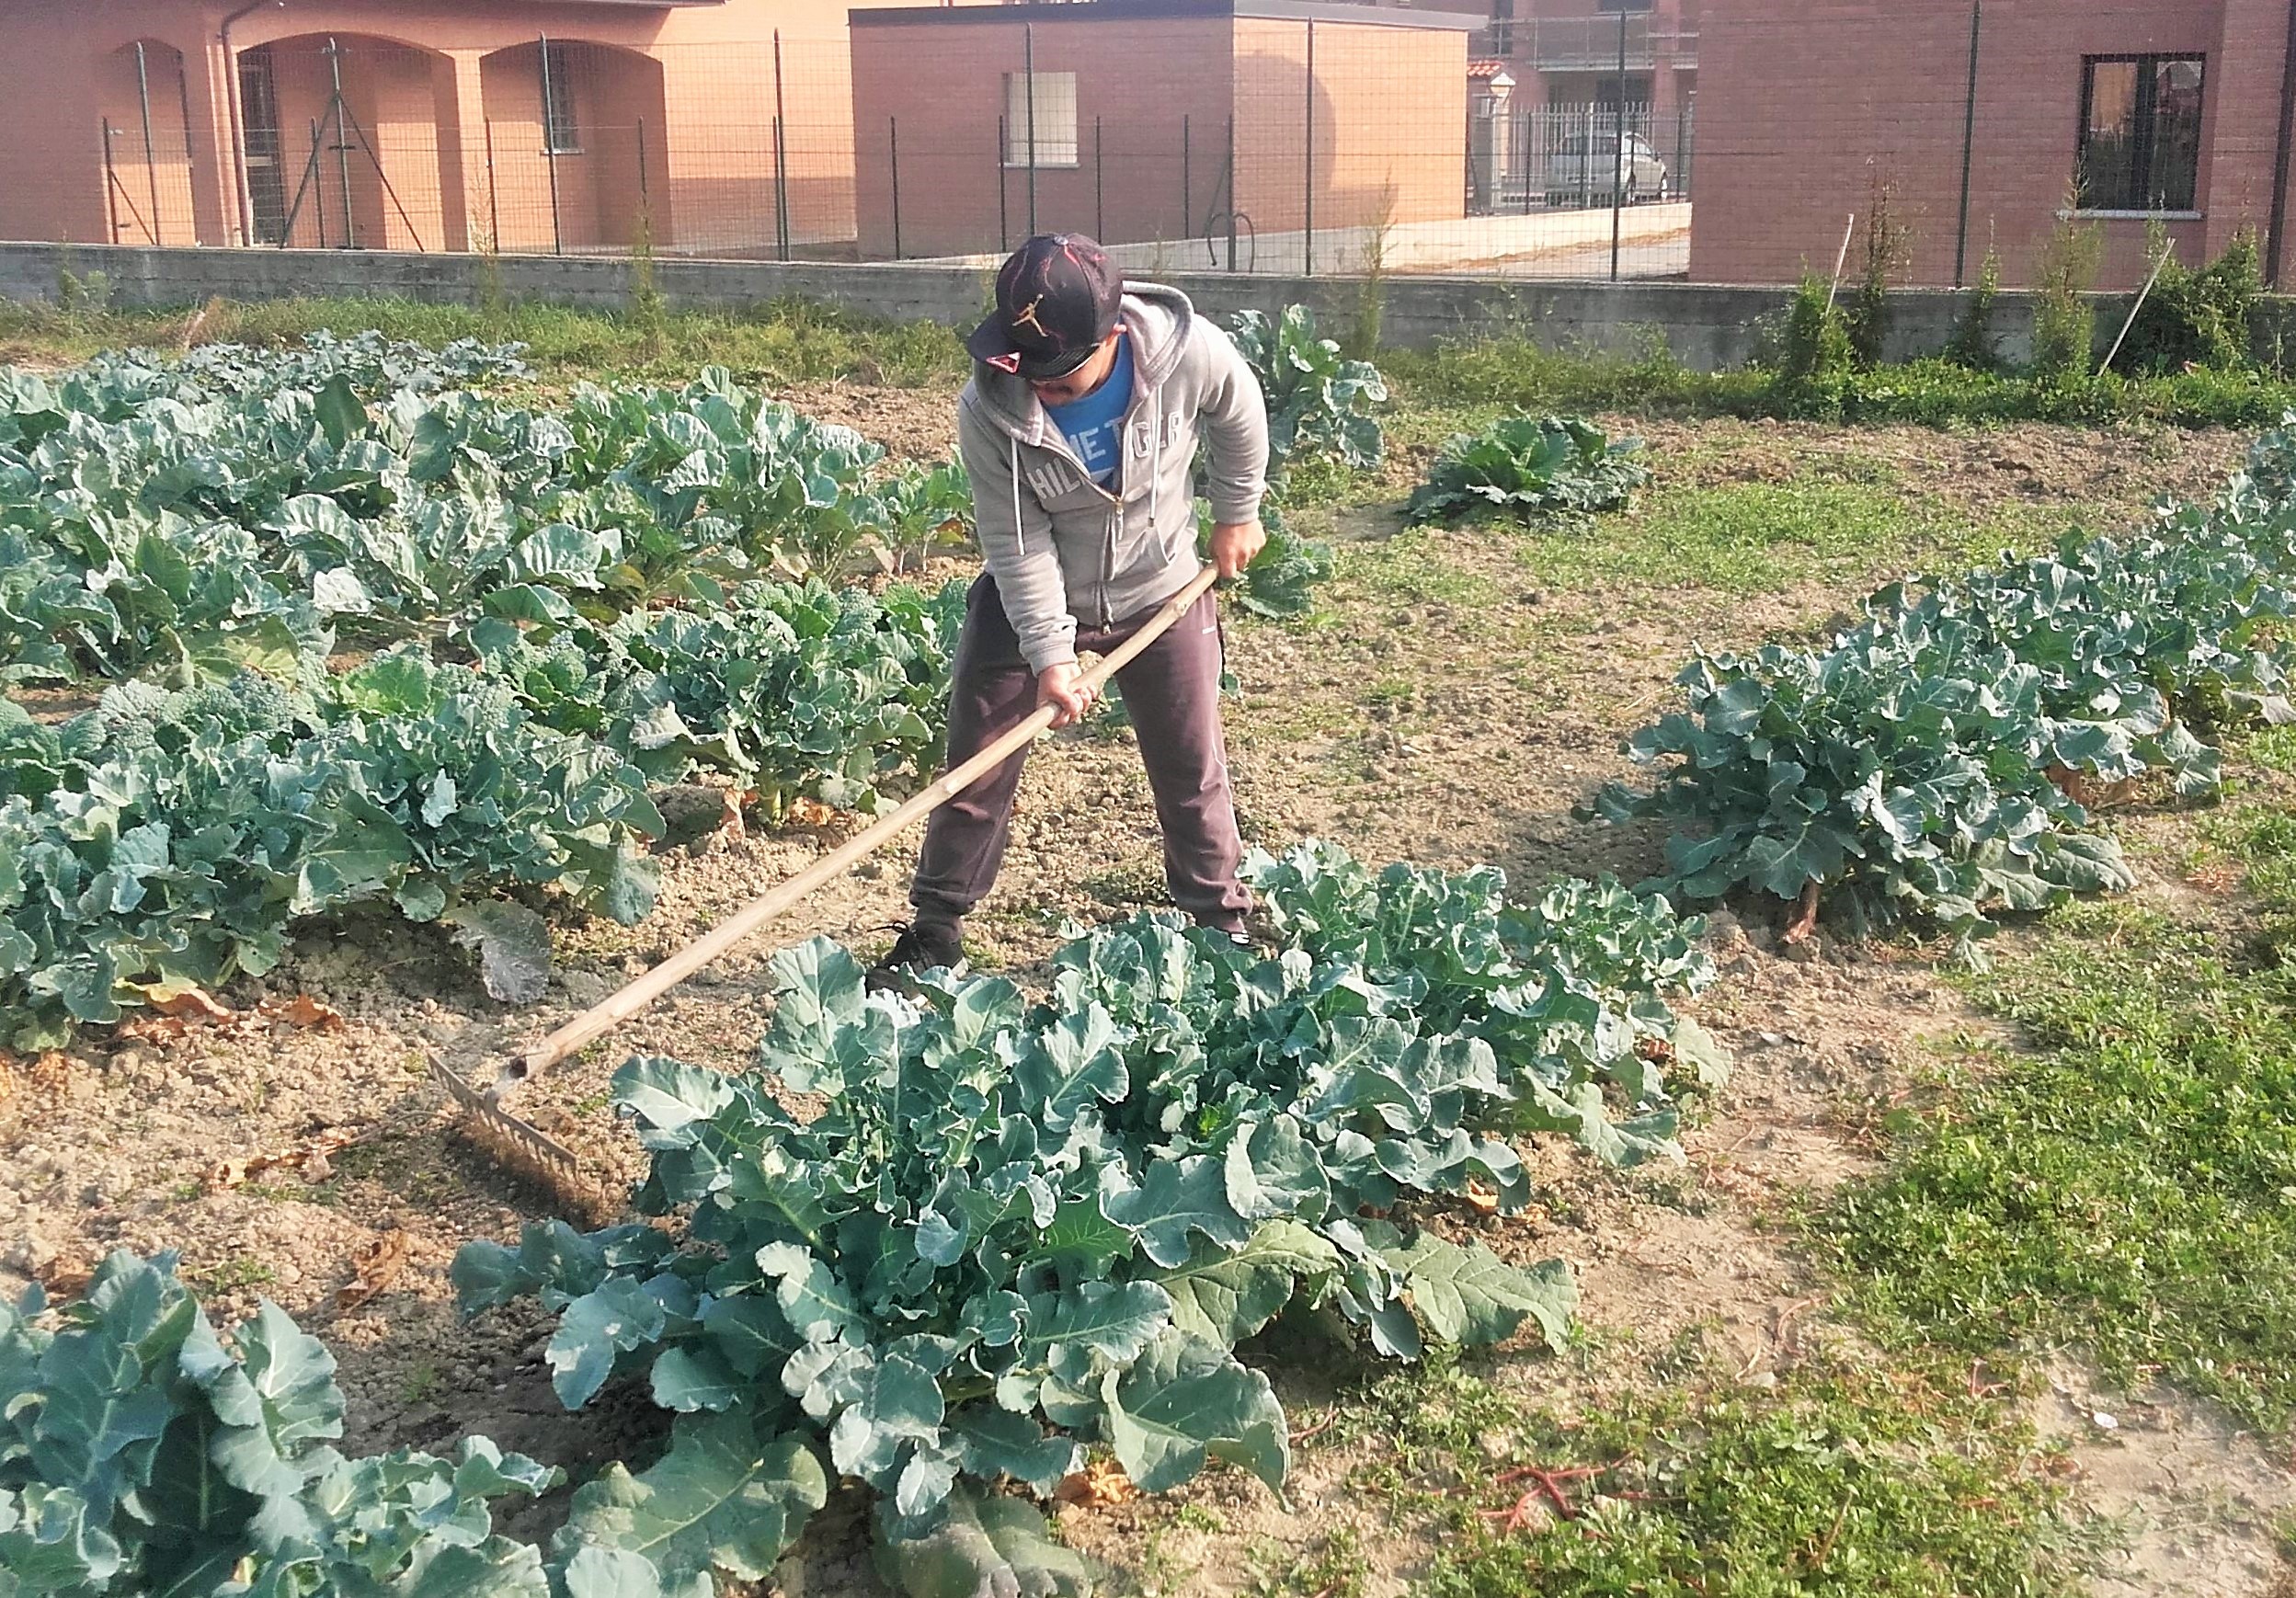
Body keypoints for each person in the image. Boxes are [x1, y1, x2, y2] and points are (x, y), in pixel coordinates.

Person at [871, 234, 1270, 986]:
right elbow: (1017, 543)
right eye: (1027, 370)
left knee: (1190, 767)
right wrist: (1051, 654)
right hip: (1030, 593)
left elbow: (1239, 410)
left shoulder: (1185, 352)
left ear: (1110, 336)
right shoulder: (990, 407)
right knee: (976, 765)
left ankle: (1221, 927)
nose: (1039, 389)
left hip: (1158, 589)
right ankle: (935, 931)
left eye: (1058, 376)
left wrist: (1237, 512)